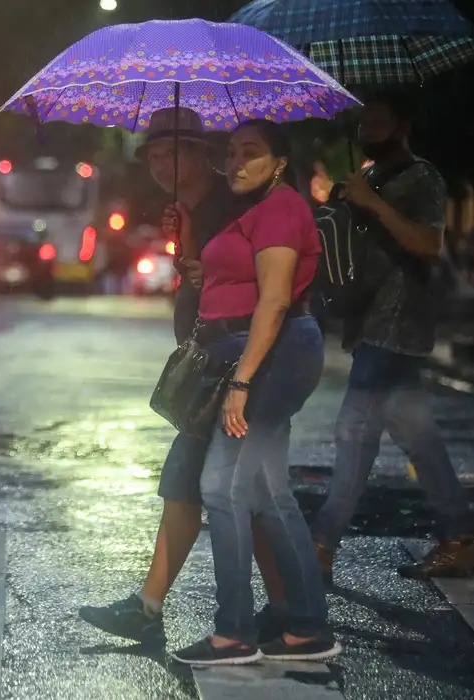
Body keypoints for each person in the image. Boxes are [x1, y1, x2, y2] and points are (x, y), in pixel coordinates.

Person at [79, 108, 288, 643]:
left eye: (171, 154)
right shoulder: (192, 206)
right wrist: (187, 244)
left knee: (195, 480)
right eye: (152, 155)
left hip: (233, 361)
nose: (159, 164)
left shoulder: (233, 202)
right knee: (245, 488)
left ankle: (160, 610)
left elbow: (246, 284)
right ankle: (290, 605)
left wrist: (197, 259)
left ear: (200, 154)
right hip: (212, 356)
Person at [170, 119, 339, 665]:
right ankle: (307, 626)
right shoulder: (248, 211)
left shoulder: (282, 208)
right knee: (266, 490)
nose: (237, 162)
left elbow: (273, 302)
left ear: (280, 162)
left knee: (221, 485)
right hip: (251, 352)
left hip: (274, 353)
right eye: (232, 152)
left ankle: (234, 633)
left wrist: (241, 380)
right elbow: (228, 282)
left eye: (252, 152)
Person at [311, 90, 474, 580]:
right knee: (418, 437)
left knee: (353, 432)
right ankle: (459, 537)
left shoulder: (423, 177)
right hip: (370, 323)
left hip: (396, 322)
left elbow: (428, 243)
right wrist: (349, 203)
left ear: (403, 128)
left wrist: (373, 205)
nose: (368, 132)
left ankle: (320, 545)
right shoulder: (368, 177)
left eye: (379, 124)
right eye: (365, 124)